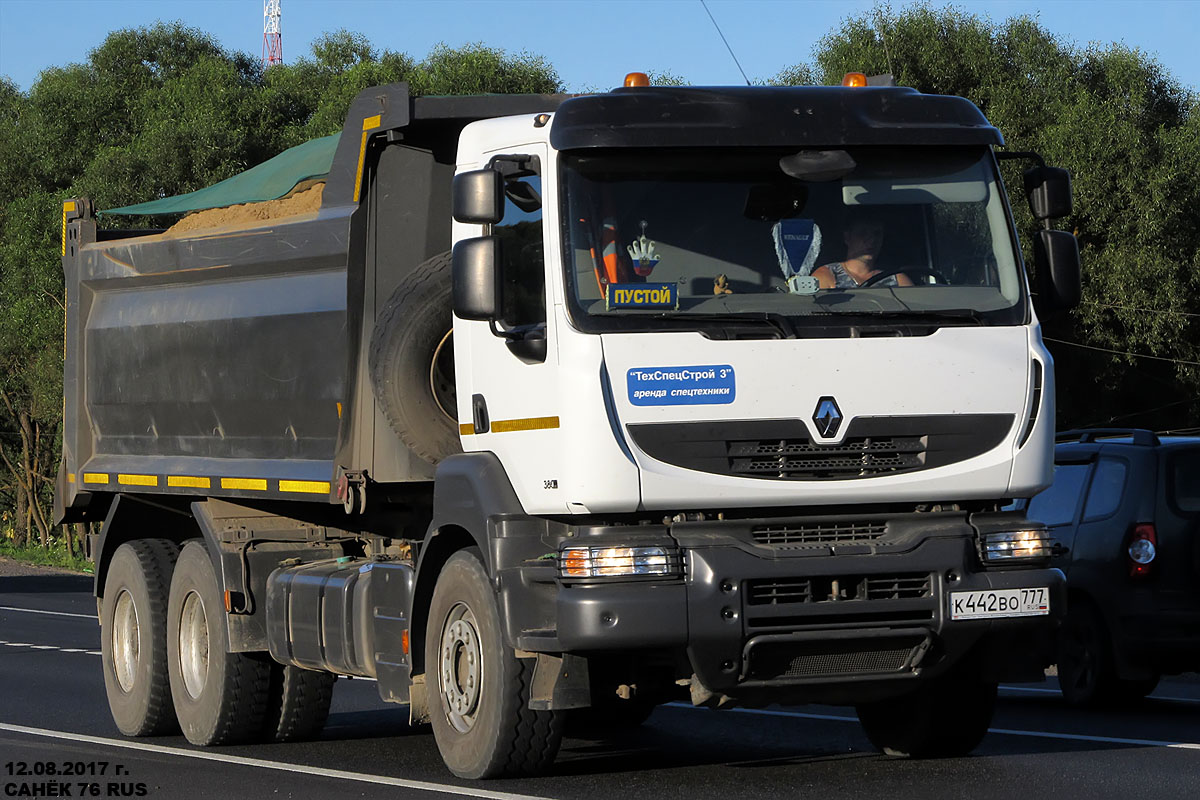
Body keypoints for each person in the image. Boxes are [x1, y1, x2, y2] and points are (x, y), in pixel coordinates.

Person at [812, 216, 913, 289]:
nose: (871, 240)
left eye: (877, 234)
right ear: (847, 237)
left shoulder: (897, 279)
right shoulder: (827, 275)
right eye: (863, 233)